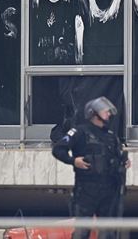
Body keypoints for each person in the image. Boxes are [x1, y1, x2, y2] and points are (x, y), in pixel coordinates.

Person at [52, 96, 130, 239]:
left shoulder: (111, 136)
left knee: (108, 233)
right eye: (105, 111)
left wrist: (124, 162)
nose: (108, 114)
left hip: (109, 190)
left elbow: (116, 157)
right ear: (94, 114)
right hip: (86, 191)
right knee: (82, 232)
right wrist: (73, 160)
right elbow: (58, 149)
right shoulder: (79, 132)